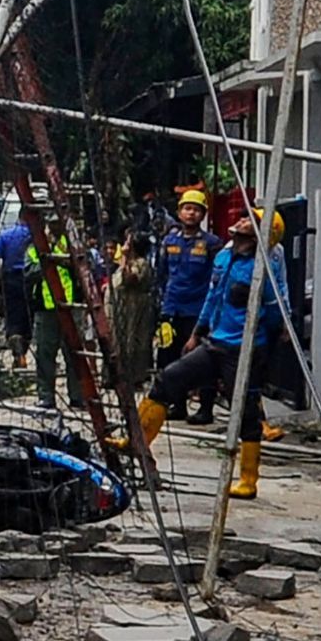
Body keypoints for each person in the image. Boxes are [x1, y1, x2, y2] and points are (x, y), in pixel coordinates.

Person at [117, 206, 289, 499]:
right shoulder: (223, 256)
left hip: (243, 349)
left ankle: (248, 480)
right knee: (168, 380)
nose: (241, 220)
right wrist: (198, 333)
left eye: (251, 220)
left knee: (245, 412)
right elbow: (212, 296)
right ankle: (137, 439)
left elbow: (274, 311)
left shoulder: (264, 267)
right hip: (215, 342)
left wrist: (268, 340)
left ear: (263, 232)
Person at [156, 186, 222, 423]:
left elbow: (217, 280)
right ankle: (178, 405)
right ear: (179, 212)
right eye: (187, 208)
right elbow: (161, 276)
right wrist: (162, 309)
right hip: (172, 309)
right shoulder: (168, 241)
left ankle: (205, 410)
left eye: (196, 210)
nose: (191, 213)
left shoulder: (212, 244)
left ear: (203, 215)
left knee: (202, 360)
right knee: (170, 359)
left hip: (199, 311)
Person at [25, 213, 85, 413]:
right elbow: (28, 272)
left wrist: (58, 255)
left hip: (70, 307)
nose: (55, 226)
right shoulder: (35, 247)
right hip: (46, 309)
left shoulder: (71, 244)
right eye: (51, 223)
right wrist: (46, 259)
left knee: (74, 355)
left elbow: (81, 267)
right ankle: (46, 397)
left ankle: (77, 397)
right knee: (45, 355)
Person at [110, 230, 156, 396]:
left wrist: (126, 260)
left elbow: (131, 279)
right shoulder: (124, 260)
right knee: (117, 340)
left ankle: (131, 377)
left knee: (131, 341)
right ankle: (115, 375)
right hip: (120, 306)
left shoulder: (140, 263)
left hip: (133, 308)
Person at [0, 214, 32, 367]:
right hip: (30, 279)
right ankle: (23, 350)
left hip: (10, 279)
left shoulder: (6, 235)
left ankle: (18, 352)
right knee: (28, 317)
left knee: (12, 316)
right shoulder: (35, 236)